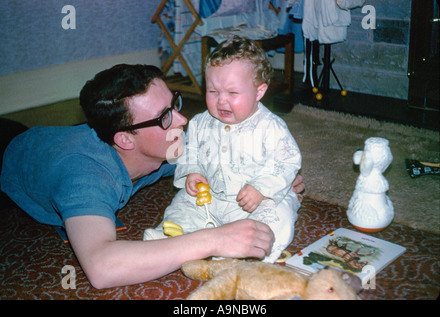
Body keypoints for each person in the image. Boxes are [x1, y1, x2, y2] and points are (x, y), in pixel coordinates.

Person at [0, 64, 305, 289]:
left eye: (175, 104)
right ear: (125, 140)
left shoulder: (166, 144)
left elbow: (218, 160)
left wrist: (272, 179)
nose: (183, 119)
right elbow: (102, 267)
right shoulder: (84, 175)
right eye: (164, 117)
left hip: (40, 137)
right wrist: (216, 238)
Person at [144, 36, 302, 263]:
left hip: (252, 204)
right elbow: (188, 151)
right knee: (182, 203)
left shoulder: (270, 127)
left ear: (259, 92)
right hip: (211, 198)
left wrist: (260, 189)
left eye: (232, 93)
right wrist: (192, 172)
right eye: (213, 91)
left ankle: (250, 252)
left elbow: (287, 162)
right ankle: (169, 238)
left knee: (279, 215)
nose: (221, 101)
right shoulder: (200, 123)